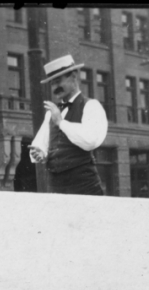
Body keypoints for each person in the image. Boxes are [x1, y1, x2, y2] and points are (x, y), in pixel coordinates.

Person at [29, 54, 107, 195]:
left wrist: (61, 122)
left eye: (58, 81)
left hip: (83, 184)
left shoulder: (91, 106)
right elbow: (41, 143)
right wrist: (40, 152)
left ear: (74, 76)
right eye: (52, 83)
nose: (55, 87)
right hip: (55, 185)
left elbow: (90, 140)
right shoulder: (51, 113)